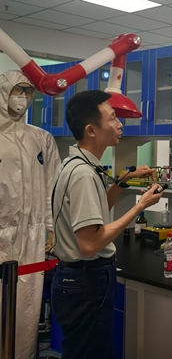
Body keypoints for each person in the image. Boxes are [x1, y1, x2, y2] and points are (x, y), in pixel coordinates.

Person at [50, 90, 163, 359]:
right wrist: (140, 206)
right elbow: (90, 244)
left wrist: (123, 181)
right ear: (91, 130)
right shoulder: (83, 174)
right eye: (112, 118)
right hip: (86, 280)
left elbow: (97, 210)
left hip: (78, 280)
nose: (120, 124)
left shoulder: (77, 163)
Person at [0, 71, 60, 359]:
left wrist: (51, 226)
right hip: (1, 233)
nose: (23, 97)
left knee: (26, 310)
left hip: (34, 236)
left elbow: (52, 187)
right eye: (18, 90)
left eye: (28, 91)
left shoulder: (42, 138)